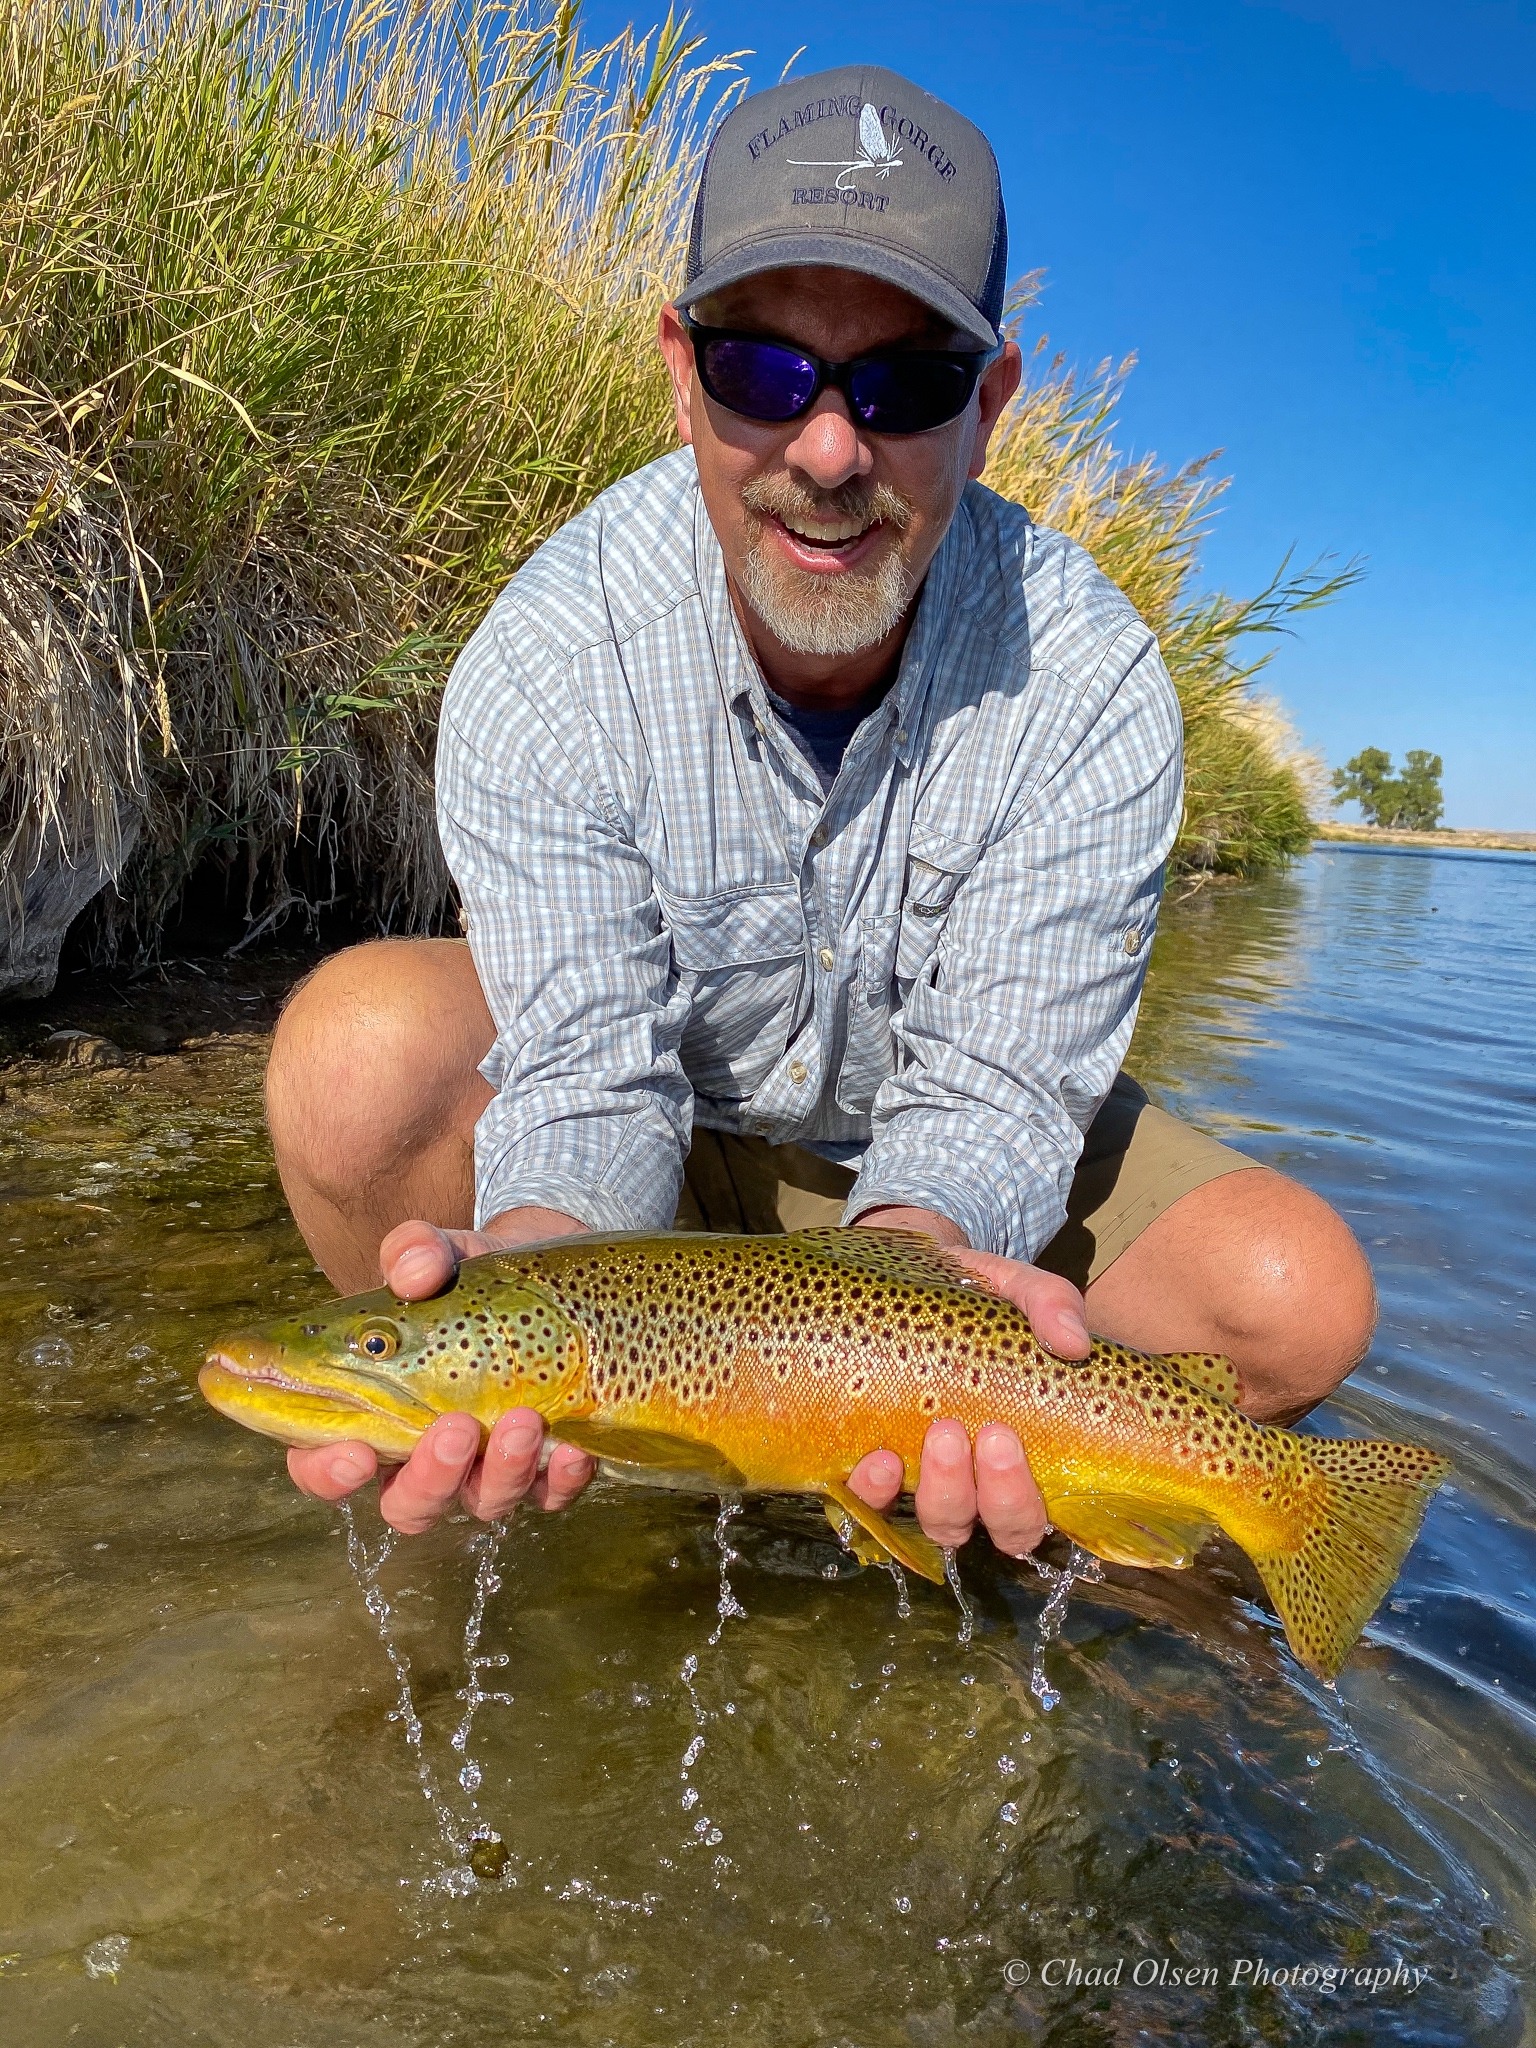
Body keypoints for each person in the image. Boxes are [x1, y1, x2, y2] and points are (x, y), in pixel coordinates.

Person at [265, 66, 1376, 1547]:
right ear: (679, 365)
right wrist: (538, 1253)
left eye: (904, 385)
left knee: (1294, 1298)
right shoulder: (551, 655)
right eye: (765, 374)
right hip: (657, 1196)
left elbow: (992, 1096)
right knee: (351, 1056)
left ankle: (1123, 1548)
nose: (831, 450)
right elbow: (589, 1074)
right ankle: (521, 1491)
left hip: (932, 1224)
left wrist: (915, 1264)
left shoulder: (1092, 678)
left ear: (988, 406)